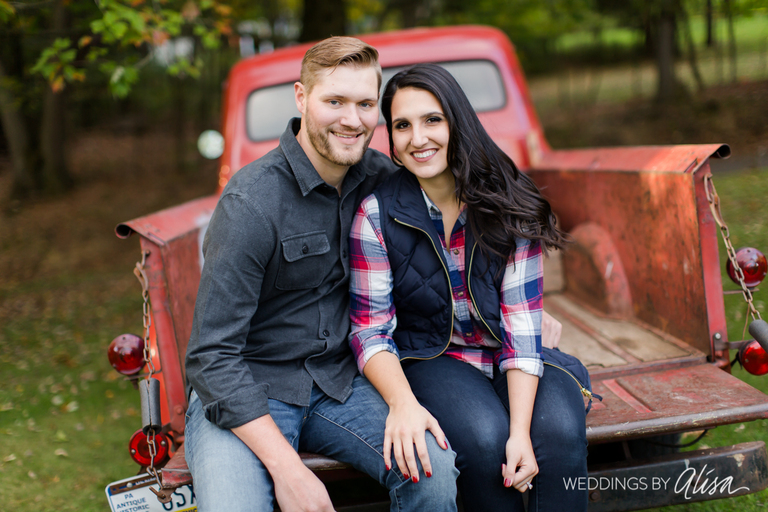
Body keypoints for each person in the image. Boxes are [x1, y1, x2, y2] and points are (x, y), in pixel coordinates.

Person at [183, 38, 460, 512]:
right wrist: (289, 471)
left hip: (341, 384)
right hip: (248, 392)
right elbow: (211, 357)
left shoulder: (382, 180)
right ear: (301, 98)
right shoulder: (250, 203)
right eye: (335, 101)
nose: (352, 120)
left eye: (366, 104)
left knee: (432, 472)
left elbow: (461, 234)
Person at [349, 63, 589, 511]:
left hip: (509, 352)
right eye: (402, 126)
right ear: (392, 142)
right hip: (433, 356)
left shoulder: (507, 198)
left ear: (457, 121)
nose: (418, 138)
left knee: (558, 431)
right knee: (483, 441)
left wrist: (522, 432)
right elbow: (369, 330)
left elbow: (521, 323)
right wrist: (402, 403)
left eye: (432, 120)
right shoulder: (375, 216)